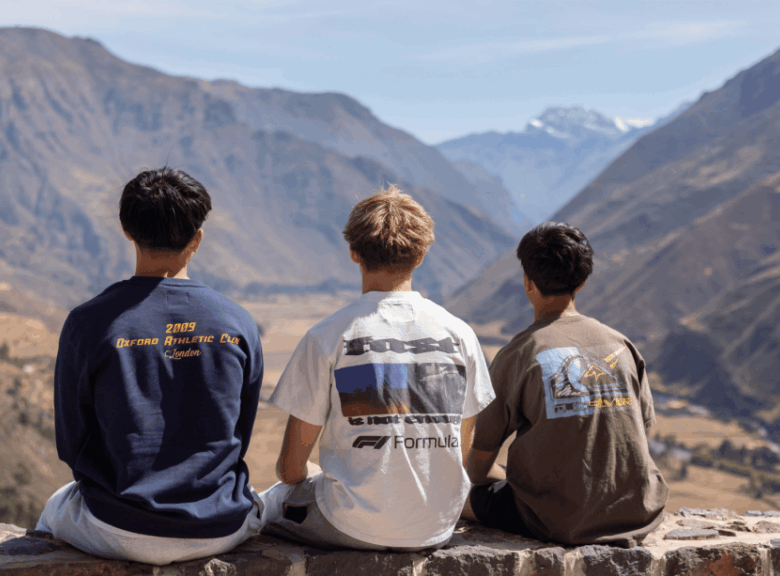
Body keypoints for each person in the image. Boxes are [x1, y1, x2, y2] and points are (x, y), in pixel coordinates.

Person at [36, 168, 265, 565]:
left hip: (118, 526)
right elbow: (238, 434)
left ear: (127, 230)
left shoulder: (88, 323)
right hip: (219, 527)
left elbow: (72, 444)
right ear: (198, 238)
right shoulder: (237, 323)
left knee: (55, 506)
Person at [262, 184, 495, 551]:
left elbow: (290, 470)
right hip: (438, 523)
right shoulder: (461, 335)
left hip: (351, 524)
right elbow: (457, 452)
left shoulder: (327, 336)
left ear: (354, 253)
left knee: (274, 500)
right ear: (421, 255)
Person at [464, 222, 668, 547]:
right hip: (640, 511)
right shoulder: (622, 345)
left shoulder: (519, 354)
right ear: (583, 281)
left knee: (460, 496)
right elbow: (637, 434)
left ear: (527, 282)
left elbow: (476, 470)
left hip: (561, 522)